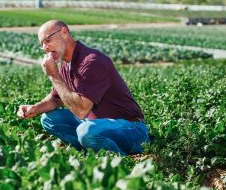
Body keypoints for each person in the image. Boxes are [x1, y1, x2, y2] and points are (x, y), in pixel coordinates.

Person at [17, 20, 150, 156]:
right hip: (95, 126)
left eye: (47, 40)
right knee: (49, 119)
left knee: (86, 131)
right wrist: (35, 108)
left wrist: (53, 75)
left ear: (64, 33)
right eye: (42, 44)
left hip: (130, 129)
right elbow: (56, 99)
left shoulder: (92, 61)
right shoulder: (66, 65)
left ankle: (121, 161)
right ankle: (90, 152)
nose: (45, 47)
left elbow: (81, 110)